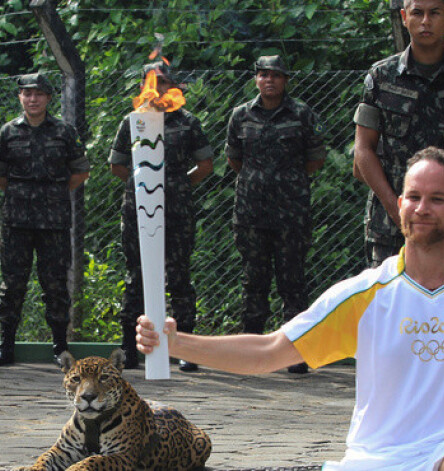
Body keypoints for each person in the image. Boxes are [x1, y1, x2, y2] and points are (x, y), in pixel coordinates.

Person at [137, 146, 444, 471]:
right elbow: (269, 351)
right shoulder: (367, 296)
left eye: (437, 199)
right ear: (400, 204)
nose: (422, 208)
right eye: (414, 197)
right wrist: (175, 343)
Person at [109, 61, 214, 371]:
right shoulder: (133, 121)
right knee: (136, 276)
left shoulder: (188, 122)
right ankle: (130, 348)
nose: (158, 87)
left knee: (179, 276)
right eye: (151, 81)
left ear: (173, 86)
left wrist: (176, 185)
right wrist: (145, 188)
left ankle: (184, 349)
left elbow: (205, 165)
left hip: (177, 212)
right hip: (139, 211)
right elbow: (117, 166)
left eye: (164, 81)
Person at [225, 55, 326, 374]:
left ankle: (294, 354)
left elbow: (314, 159)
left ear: (285, 80)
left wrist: (285, 182)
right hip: (252, 213)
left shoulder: (302, 114)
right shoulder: (240, 115)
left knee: (292, 282)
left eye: (276, 75)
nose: (269, 80)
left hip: (291, 213)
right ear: (256, 79)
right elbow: (234, 159)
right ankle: (250, 353)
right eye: (263, 75)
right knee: (253, 280)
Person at [0, 73, 89, 366]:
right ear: (20, 97)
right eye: (27, 94)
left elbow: (80, 172)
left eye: (39, 94)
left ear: (48, 98)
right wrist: (24, 193)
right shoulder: (8, 132)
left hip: (54, 221)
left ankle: (59, 347)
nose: (33, 99)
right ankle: (6, 347)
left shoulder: (64, 132)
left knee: (55, 285)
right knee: (12, 285)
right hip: (17, 221)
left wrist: (51, 193)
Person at [353, 0, 444, 268]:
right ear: (404, 17)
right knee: (388, 305)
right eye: (417, 12)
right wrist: (399, 209)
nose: (425, 21)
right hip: (390, 227)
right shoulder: (382, 76)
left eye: (435, 13)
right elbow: (363, 151)